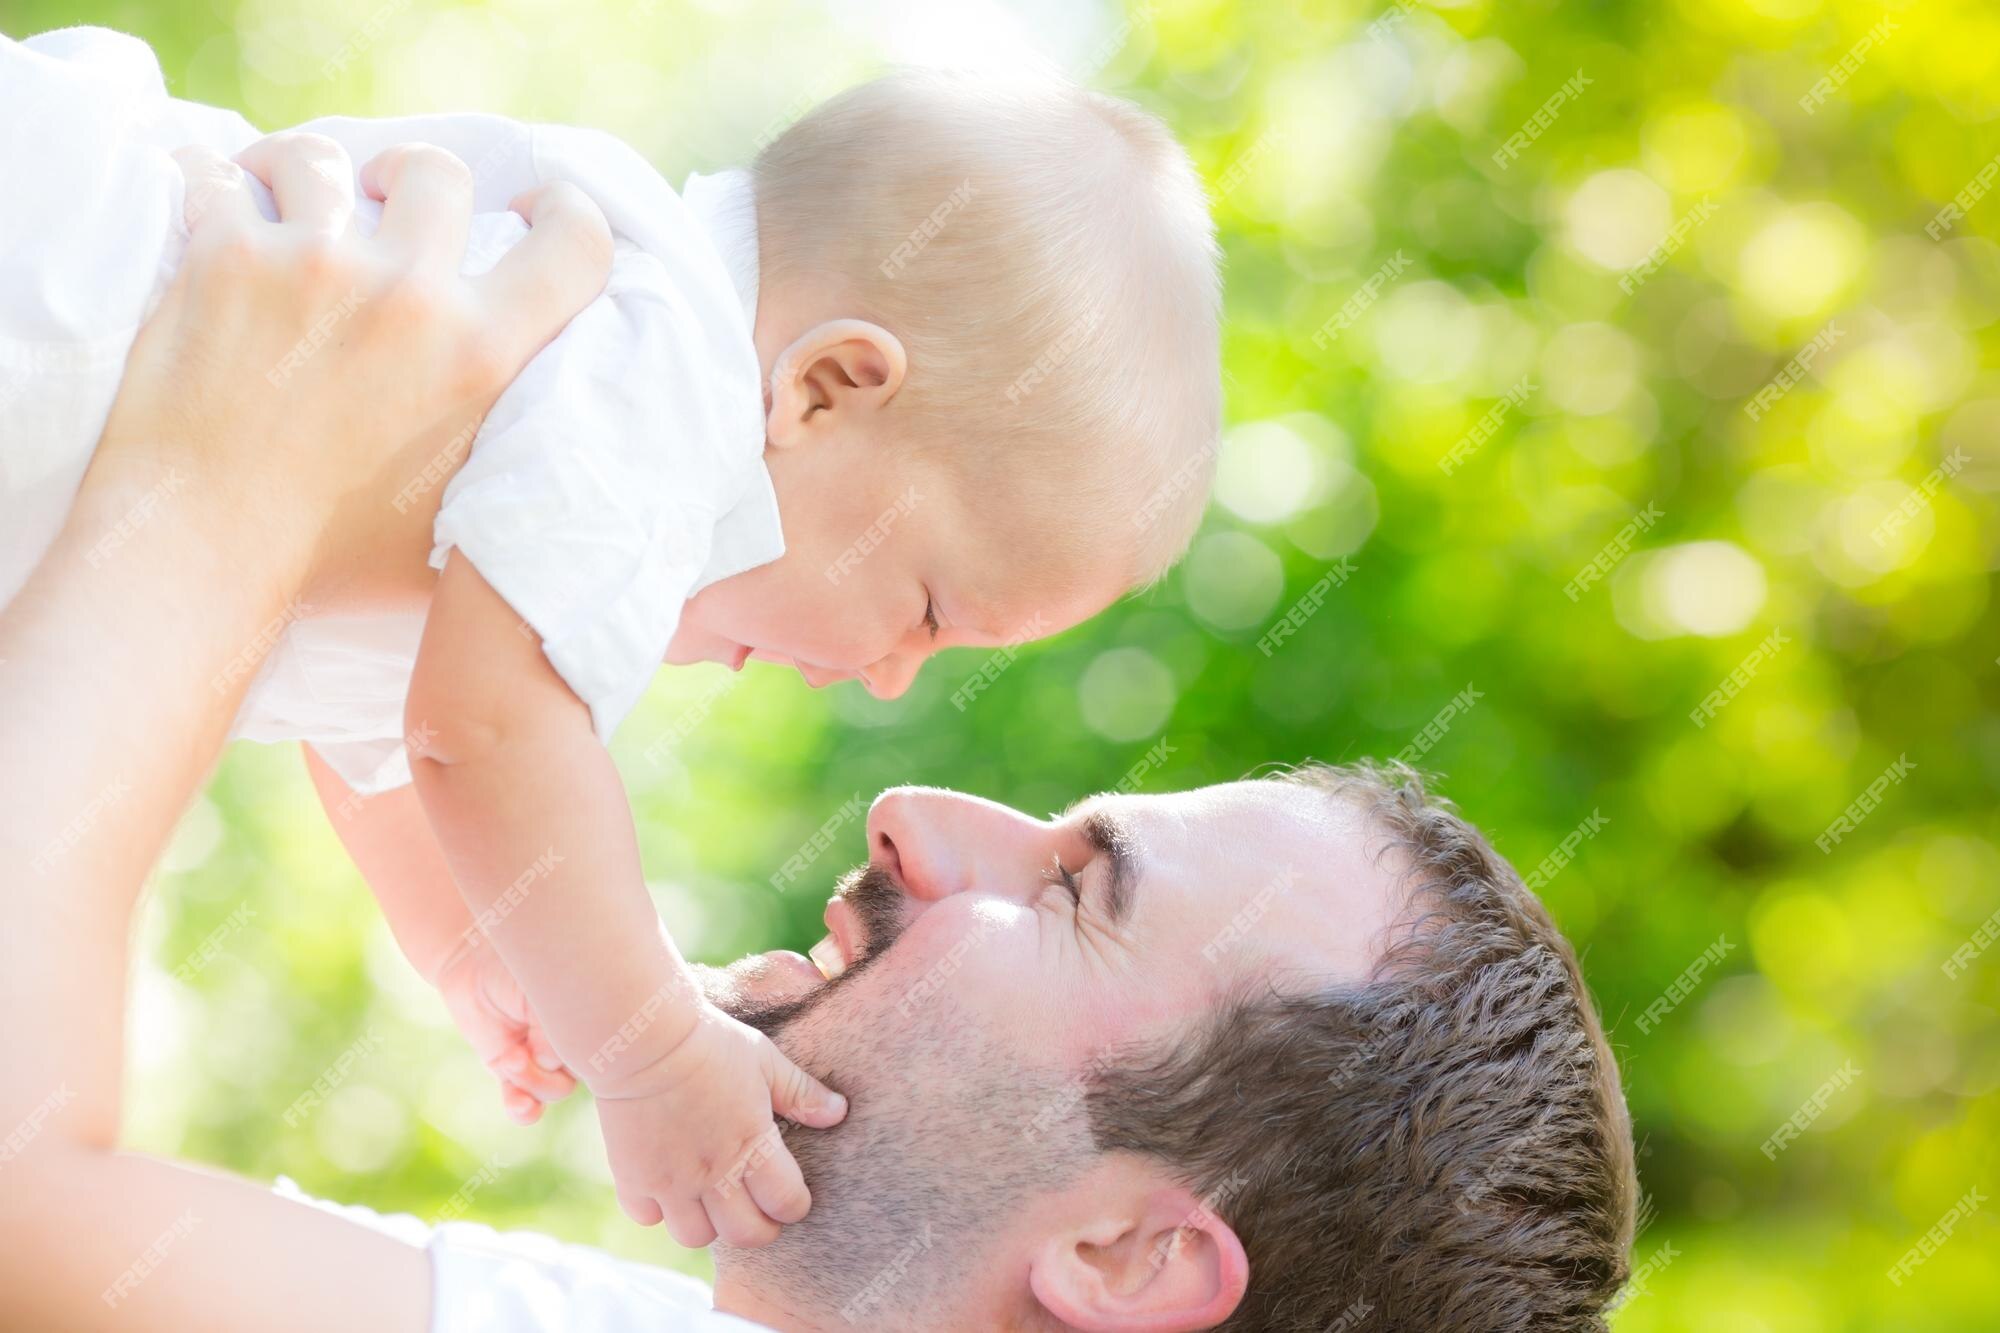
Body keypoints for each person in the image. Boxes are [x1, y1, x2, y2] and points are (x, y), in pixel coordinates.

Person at [0, 26, 1224, 1247]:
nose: (892, 677)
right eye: (923, 610)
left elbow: (386, 712)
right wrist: (648, 1046)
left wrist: (482, 933)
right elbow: (485, 725)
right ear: (826, 388)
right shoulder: (671, 367)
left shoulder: (587, 358)